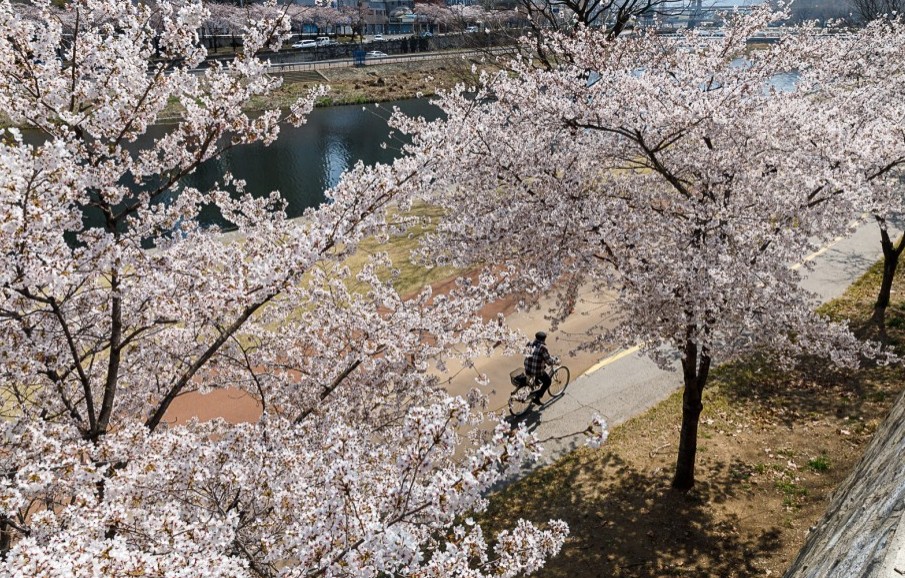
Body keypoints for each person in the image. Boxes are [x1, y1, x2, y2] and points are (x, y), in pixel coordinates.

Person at [524, 331, 555, 404]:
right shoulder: (543, 348)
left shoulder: (529, 343)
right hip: (536, 371)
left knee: (542, 366)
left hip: (527, 367)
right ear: (544, 339)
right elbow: (549, 362)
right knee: (548, 381)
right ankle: (537, 398)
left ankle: (536, 381)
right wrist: (554, 361)